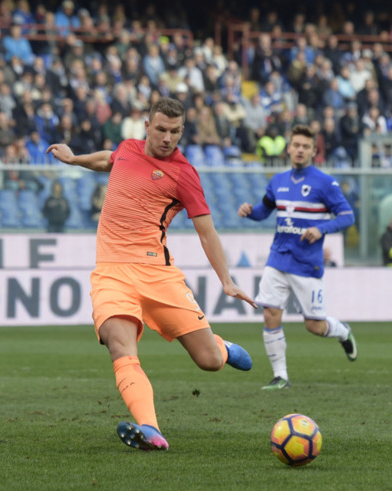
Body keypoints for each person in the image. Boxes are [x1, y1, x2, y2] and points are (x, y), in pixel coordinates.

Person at [47, 97, 256, 452]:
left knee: (207, 362)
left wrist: (226, 280)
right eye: (160, 129)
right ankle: (150, 429)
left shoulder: (184, 173)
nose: (167, 137)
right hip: (112, 272)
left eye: (174, 131)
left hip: (158, 274)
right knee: (119, 343)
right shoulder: (127, 149)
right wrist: (73, 158)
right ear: (146, 127)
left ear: (182, 131)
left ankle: (221, 347)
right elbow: (106, 160)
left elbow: (207, 231)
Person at [237, 124, 358, 391]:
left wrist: (320, 229)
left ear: (314, 151)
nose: (300, 150)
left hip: (307, 263)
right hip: (278, 258)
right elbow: (263, 211)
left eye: (306, 146)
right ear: (288, 147)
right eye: (296, 145)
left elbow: (348, 215)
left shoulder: (325, 183)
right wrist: (250, 211)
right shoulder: (277, 181)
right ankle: (281, 376)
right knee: (270, 312)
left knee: (314, 326)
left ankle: (343, 331)